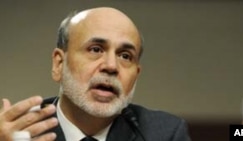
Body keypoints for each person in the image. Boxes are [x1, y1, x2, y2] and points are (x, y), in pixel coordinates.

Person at [0, 7, 191, 141]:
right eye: (96, 49)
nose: (111, 66)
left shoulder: (163, 134)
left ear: (136, 75)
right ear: (59, 64)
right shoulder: (18, 132)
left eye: (125, 56)